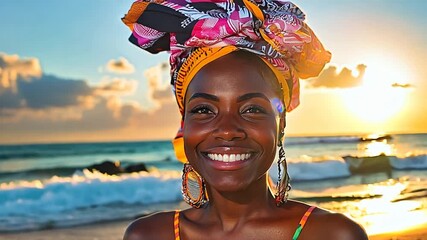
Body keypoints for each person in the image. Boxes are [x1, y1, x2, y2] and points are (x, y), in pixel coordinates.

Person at [122, 0, 369, 239]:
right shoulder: (148, 235)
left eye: (252, 109)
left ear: (280, 124)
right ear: (184, 123)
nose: (227, 131)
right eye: (204, 110)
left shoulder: (332, 235)